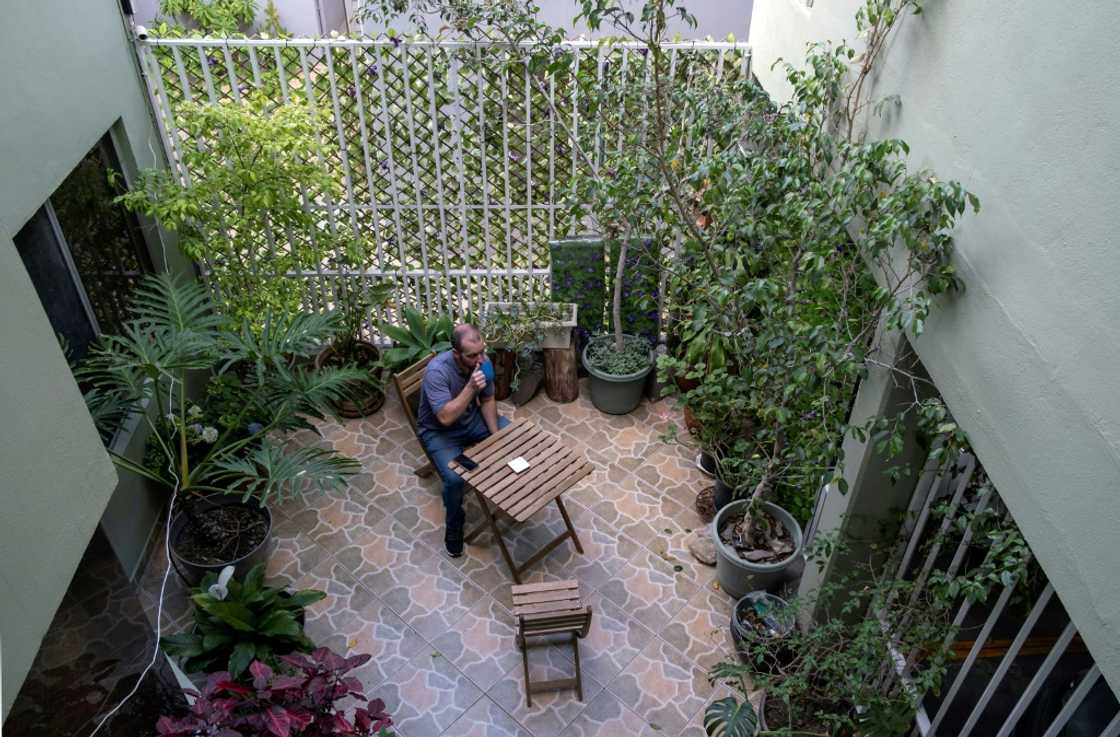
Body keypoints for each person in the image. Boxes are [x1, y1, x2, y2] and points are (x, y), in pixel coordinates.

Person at [417, 323, 510, 558]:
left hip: (471, 421)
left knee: (512, 436)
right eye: (472, 356)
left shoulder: (483, 361)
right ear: (456, 354)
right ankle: (455, 523)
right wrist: (470, 387)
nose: (481, 359)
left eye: (482, 351)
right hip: (441, 433)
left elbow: (488, 400)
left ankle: (512, 486)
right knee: (454, 479)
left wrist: (495, 435)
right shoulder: (437, 371)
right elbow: (445, 417)